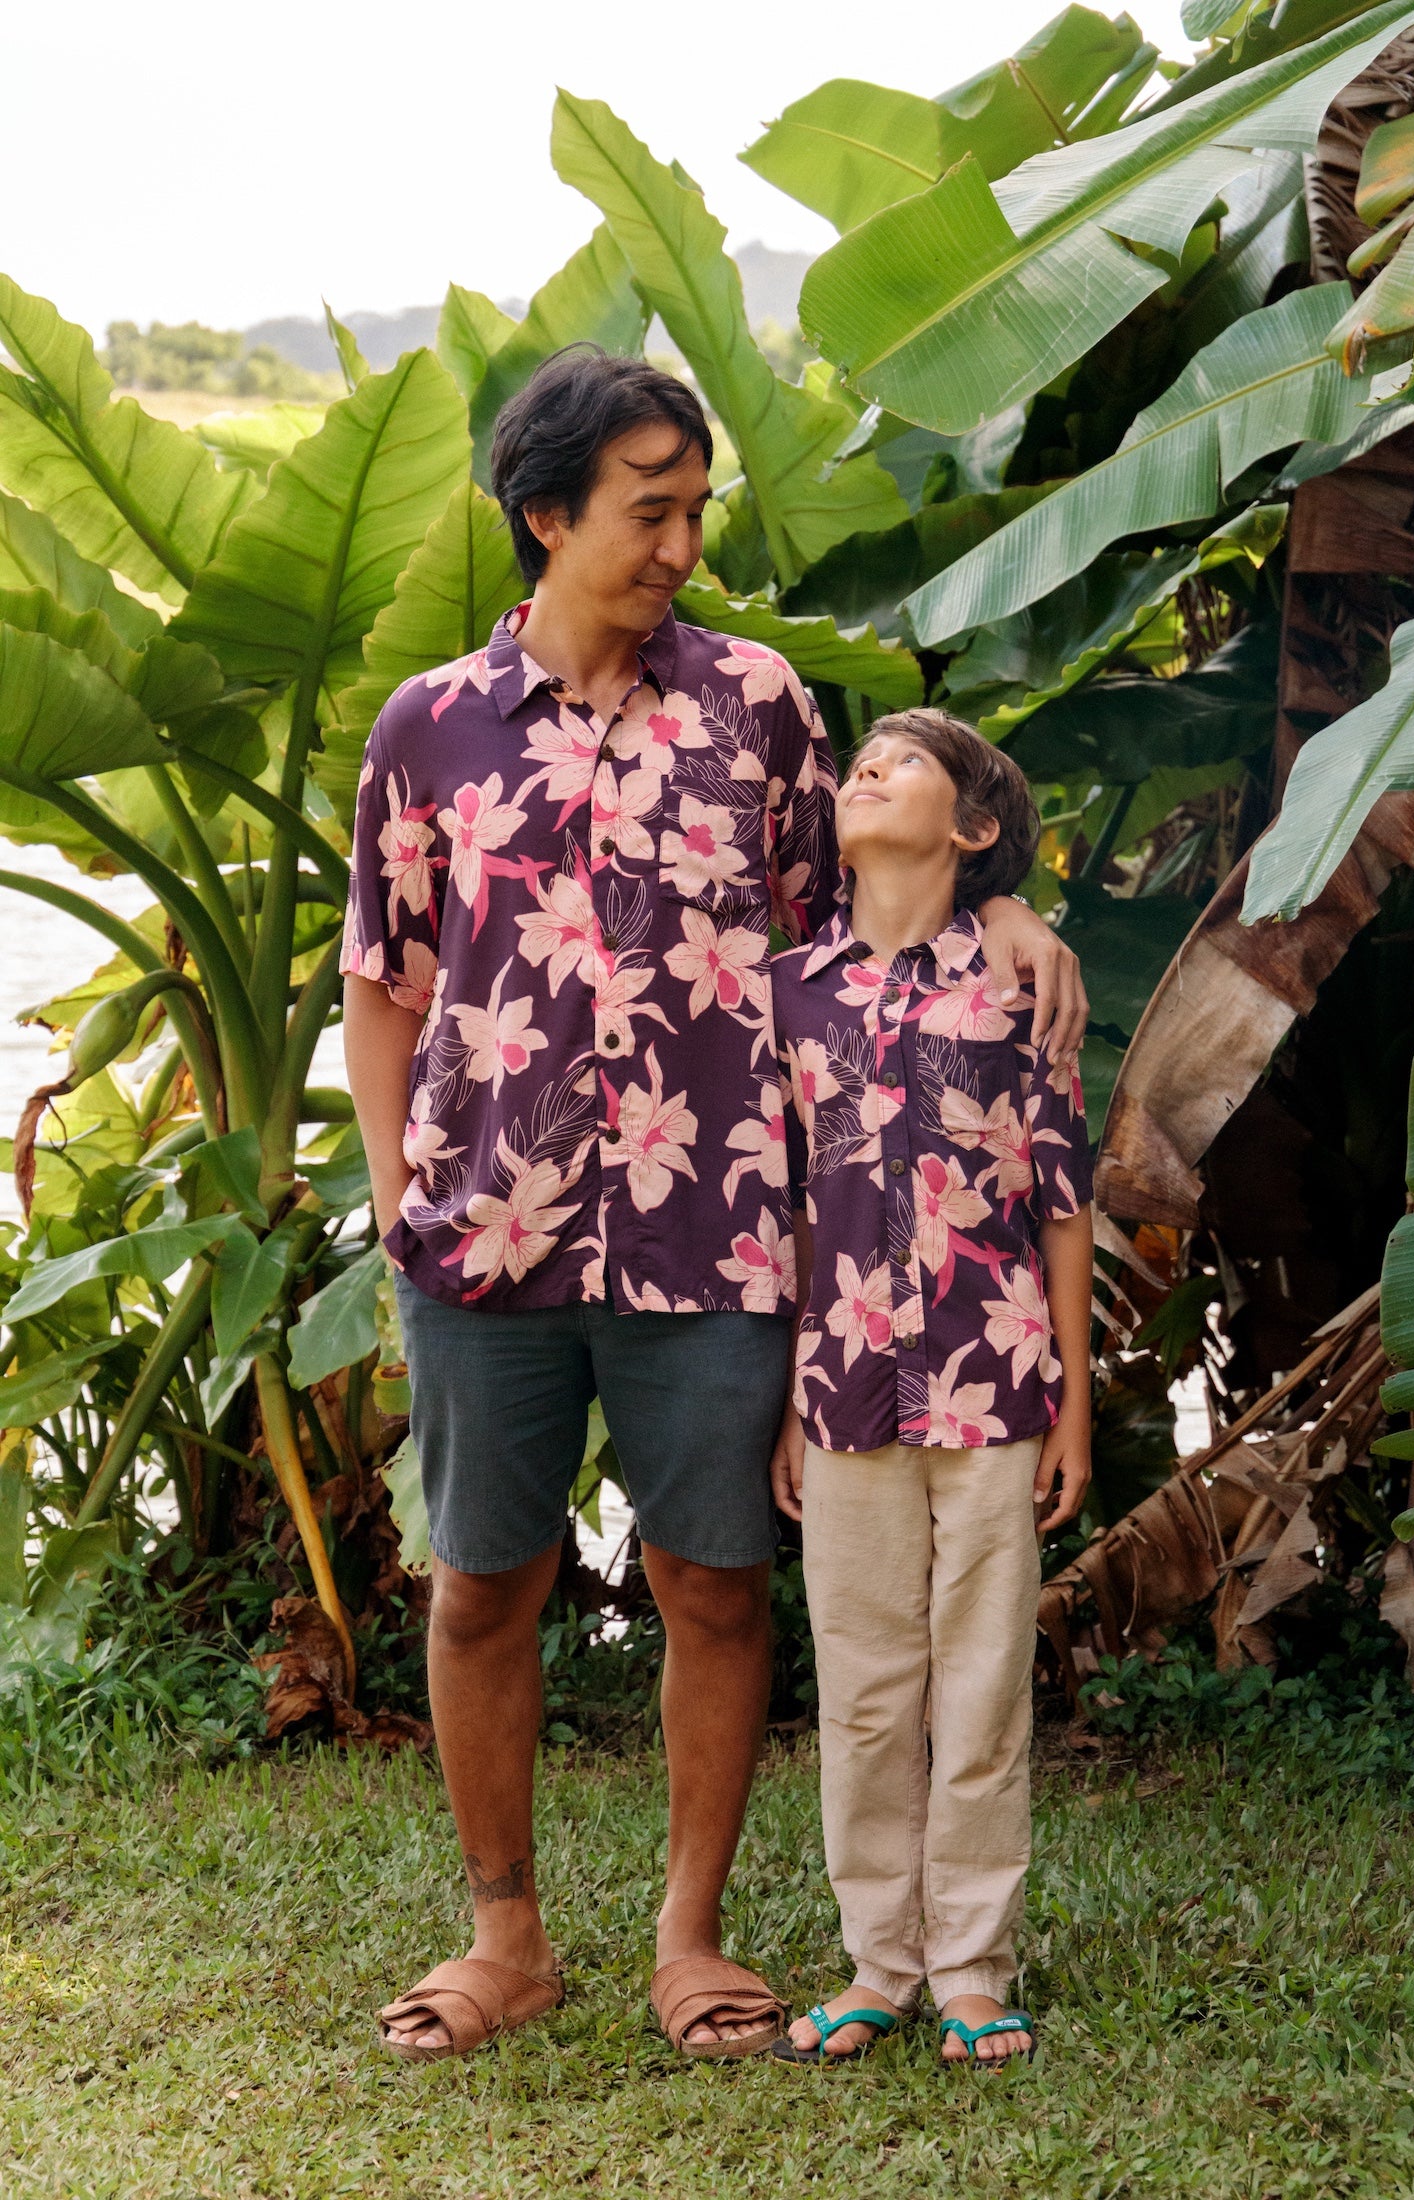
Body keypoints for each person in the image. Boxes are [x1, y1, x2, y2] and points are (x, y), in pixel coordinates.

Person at [340, 347, 1090, 2062]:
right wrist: (402, 1201)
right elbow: (381, 983)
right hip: (487, 1231)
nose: (682, 542)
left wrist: (1018, 913)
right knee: (479, 1587)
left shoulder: (762, 706)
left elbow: (873, 929)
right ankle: (505, 1938)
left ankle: (691, 1939)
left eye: (696, 509)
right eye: (647, 509)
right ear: (545, 517)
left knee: (717, 1587)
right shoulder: (429, 730)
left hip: (726, 1228)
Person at [768, 708, 1093, 2069]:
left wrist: (1074, 1397)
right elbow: (780, 1202)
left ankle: (972, 1969)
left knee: (979, 1686)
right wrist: (788, 1394)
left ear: (970, 829)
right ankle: (875, 1965)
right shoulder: (788, 990)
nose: (869, 770)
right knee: (862, 1687)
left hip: (997, 1379)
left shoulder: (1028, 988)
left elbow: (1063, 1196)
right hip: (841, 1383)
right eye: (863, 761)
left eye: (906, 763)